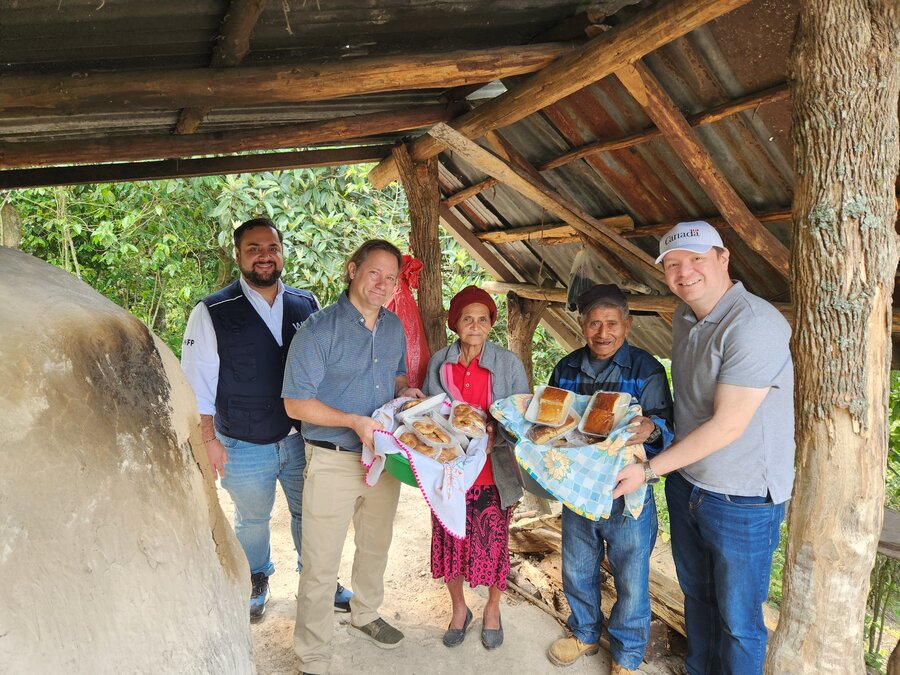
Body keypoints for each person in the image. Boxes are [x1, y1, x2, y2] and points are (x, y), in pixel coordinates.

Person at [613, 221, 794, 675]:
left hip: (743, 499)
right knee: (697, 595)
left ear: (723, 258)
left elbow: (727, 426)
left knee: (739, 623)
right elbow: (693, 399)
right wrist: (655, 424)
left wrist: (650, 470)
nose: (684, 272)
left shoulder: (755, 324)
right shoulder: (685, 316)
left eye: (696, 259)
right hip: (689, 484)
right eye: (673, 264)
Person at [181, 216, 351, 621]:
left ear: (281, 253)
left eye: (271, 248)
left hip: (300, 438)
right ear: (238, 254)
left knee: (309, 512)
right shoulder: (212, 311)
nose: (264, 256)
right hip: (242, 440)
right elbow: (197, 383)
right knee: (253, 519)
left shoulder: (304, 304)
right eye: (254, 249)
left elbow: (325, 369)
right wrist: (208, 439)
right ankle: (256, 577)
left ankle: (319, 580)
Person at [282, 239, 424, 675]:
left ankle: (365, 613)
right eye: (374, 273)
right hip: (332, 458)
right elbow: (294, 403)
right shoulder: (318, 330)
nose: (382, 284)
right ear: (352, 270)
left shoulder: (395, 327)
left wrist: (406, 394)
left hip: (382, 459)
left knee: (375, 546)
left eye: (390, 277)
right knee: (321, 563)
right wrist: (354, 421)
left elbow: (395, 374)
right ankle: (312, 654)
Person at [544, 284, 674, 674]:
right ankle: (584, 632)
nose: (603, 332)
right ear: (582, 324)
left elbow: (667, 426)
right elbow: (550, 423)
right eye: (595, 323)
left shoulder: (645, 368)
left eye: (612, 323)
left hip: (627, 490)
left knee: (631, 574)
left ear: (627, 324)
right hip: (579, 489)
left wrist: (651, 427)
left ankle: (628, 655)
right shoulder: (567, 368)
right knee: (577, 567)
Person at [423, 286, 530, 651]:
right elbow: (429, 411)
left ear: (490, 325)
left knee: (495, 545)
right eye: (467, 318)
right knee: (449, 540)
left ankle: (493, 609)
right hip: (449, 468)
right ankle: (458, 609)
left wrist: (497, 426)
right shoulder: (441, 361)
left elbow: (521, 413)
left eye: (483, 319)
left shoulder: (507, 363)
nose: (475, 325)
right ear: (455, 323)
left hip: (492, 469)